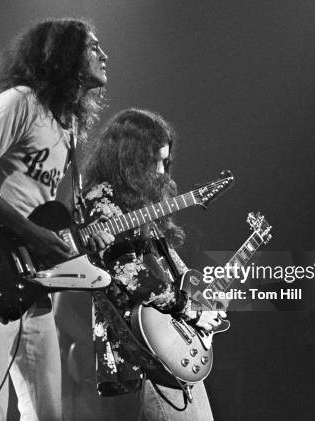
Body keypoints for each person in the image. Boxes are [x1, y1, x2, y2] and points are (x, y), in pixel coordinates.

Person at [0, 18, 113, 421]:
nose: (104, 55)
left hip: (36, 284)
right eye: (92, 47)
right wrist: (29, 232)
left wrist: (85, 237)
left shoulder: (69, 128)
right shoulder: (19, 102)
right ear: (66, 56)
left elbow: (50, 213)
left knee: (47, 414)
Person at [83, 109, 226, 420]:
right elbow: (128, 274)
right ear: (131, 159)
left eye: (166, 161)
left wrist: (203, 299)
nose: (162, 171)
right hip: (141, 353)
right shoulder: (100, 199)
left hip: (173, 346)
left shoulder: (144, 205)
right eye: (154, 161)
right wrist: (190, 309)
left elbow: (170, 268)